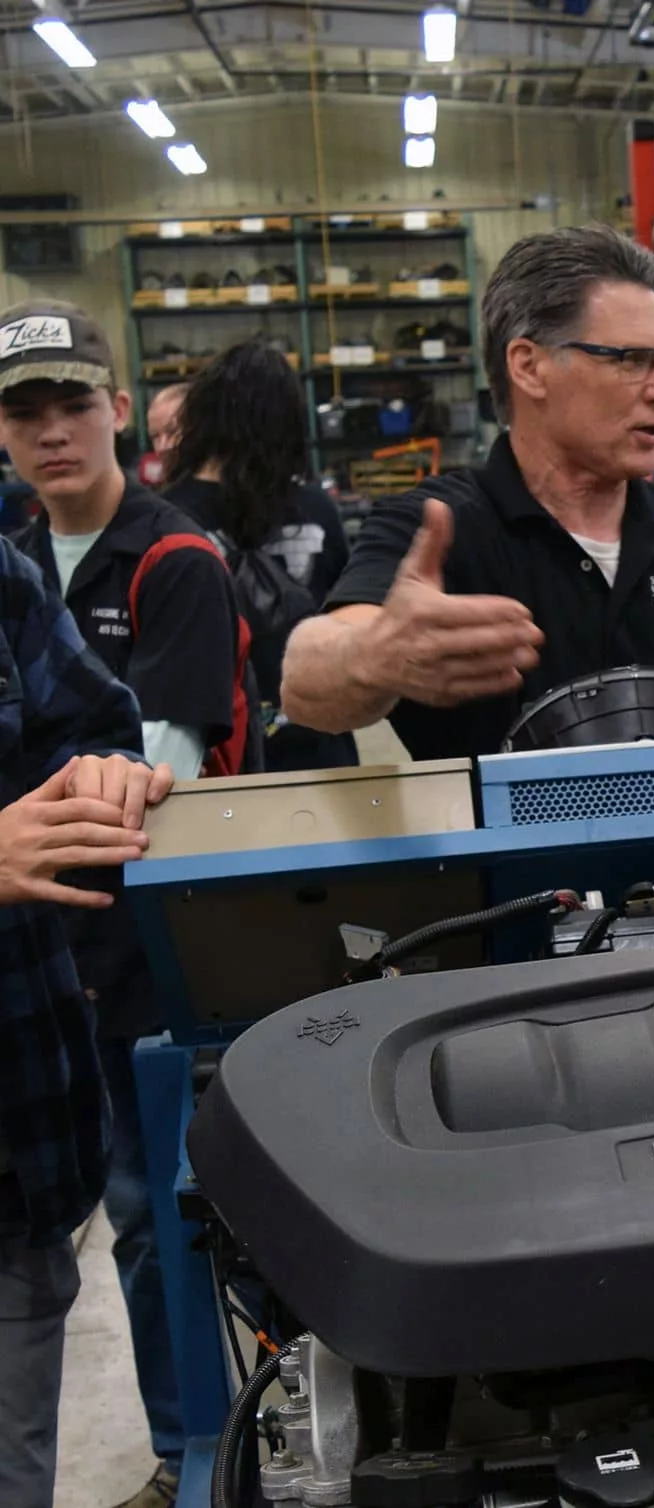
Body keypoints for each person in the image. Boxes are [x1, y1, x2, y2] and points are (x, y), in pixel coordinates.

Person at [0, 300, 255, 1508]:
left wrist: (92, 784)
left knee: (157, 1216)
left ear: (118, 407)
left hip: (126, 951)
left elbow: (143, 753)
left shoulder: (171, 558)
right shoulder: (18, 549)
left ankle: (184, 1446)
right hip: (48, 959)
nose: (52, 433)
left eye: (71, 403)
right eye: (22, 411)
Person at [281, 225, 654, 757]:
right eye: (631, 360)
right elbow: (306, 683)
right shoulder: (440, 532)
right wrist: (375, 656)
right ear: (529, 366)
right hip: (510, 854)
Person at [166, 337, 358, 771]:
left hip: (210, 751)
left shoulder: (167, 516)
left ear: (204, 414)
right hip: (317, 741)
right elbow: (346, 618)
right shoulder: (316, 508)